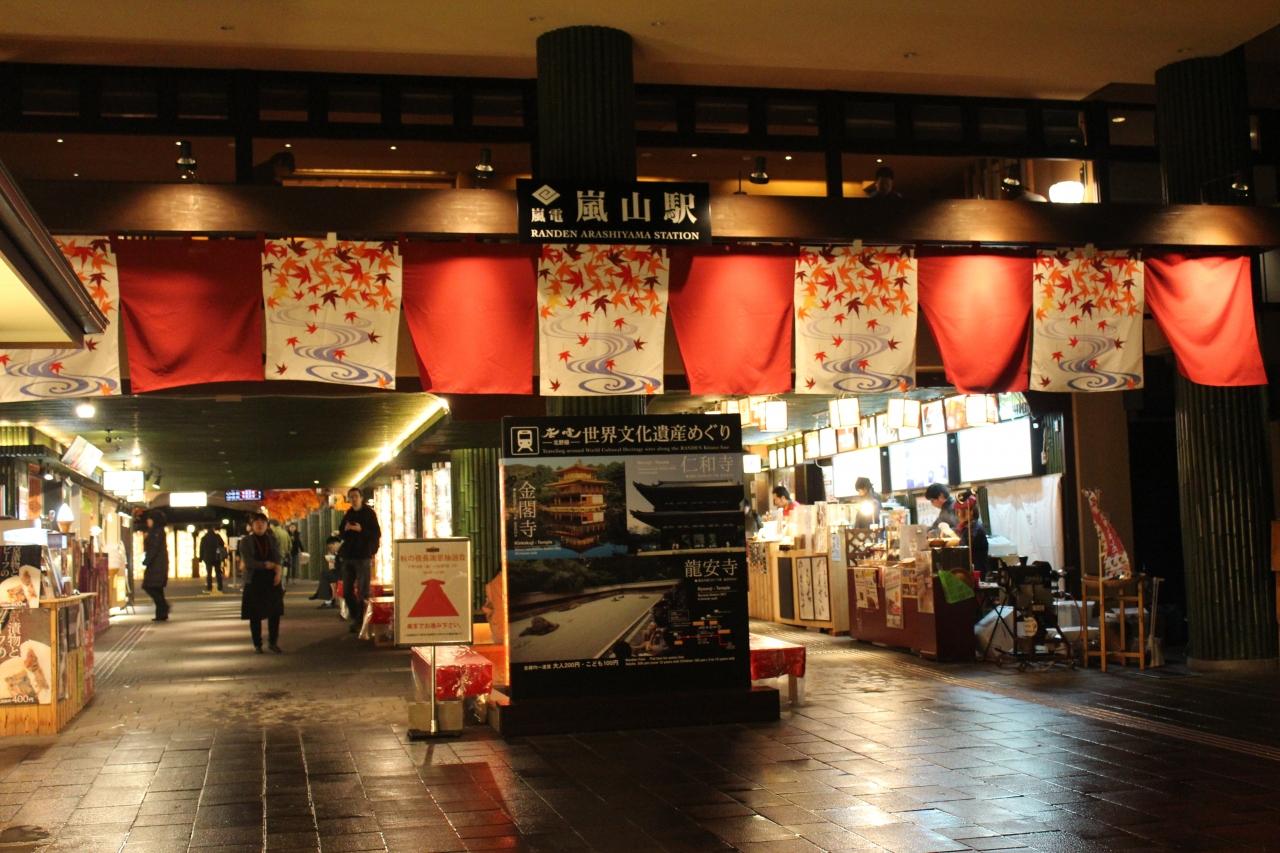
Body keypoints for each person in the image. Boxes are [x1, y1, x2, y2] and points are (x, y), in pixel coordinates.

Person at [238, 512, 284, 653]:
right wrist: (265, 565)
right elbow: (248, 562)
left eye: (263, 522)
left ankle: (273, 642)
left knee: (274, 612)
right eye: (257, 522)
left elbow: (278, 557)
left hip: (271, 579)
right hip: (254, 579)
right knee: (255, 614)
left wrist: (278, 571)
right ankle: (257, 644)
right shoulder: (246, 541)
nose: (260, 525)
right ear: (252, 525)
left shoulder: (272, 539)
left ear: (267, 525)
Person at [338, 487, 381, 634]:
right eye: (351, 497)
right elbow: (341, 534)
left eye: (356, 496)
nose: (353, 499)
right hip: (348, 556)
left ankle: (361, 622)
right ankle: (357, 617)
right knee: (347, 592)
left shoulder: (369, 513)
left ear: (361, 498)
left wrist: (361, 529)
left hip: (363, 556)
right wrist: (346, 529)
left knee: (363, 591)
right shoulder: (348, 513)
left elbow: (376, 533)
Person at [141, 512, 170, 621]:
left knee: (149, 586)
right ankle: (161, 613)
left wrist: (146, 561)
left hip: (156, 565)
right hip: (157, 564)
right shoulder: (157, 531)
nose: (147, 521)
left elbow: (154, 548)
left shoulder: (157, 532)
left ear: (154, 520)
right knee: (157, 589)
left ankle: (163, 607)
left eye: (149, 519)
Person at [955, 489, 990, 575]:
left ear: (971, 512)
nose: (959, 514)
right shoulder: (964, 527)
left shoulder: (975, 528)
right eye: (958, 511)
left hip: (976, 572)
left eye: (963, 510)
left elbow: (964, 547)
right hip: (966, 570)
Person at [199, 527, 227, 593]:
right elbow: (222, 544)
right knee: (218, 573)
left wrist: (201, 558)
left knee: (209, 573)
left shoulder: (204, 538)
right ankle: (220, 587)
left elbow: (201, 548)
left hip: (208, 558)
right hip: (217, 557)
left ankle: (209, 587)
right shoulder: (217, 536)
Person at [269, 519, 292, 587]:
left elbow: (273, 545)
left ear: (272, 525)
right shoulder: (285, 532)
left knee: (277, 571)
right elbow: (290, 545)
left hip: (276, 555)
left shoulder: (274, 532)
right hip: (285, 554)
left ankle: (278, 586)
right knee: (283, 571)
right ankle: (283, 585)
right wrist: (287, 551)